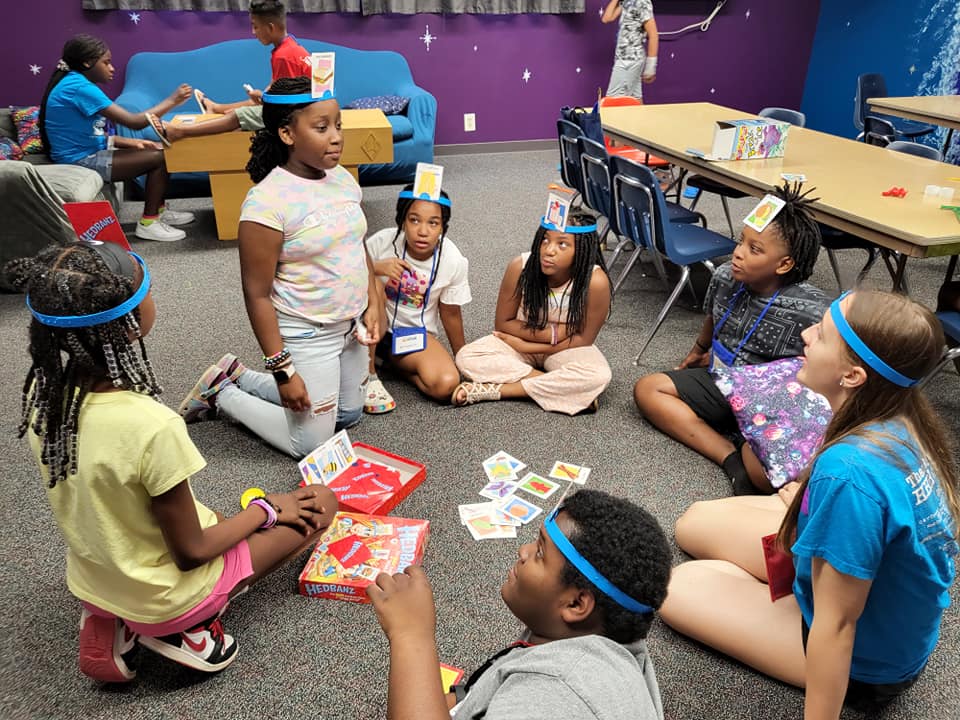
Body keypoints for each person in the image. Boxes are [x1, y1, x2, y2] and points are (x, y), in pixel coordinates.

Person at [7, 242, 338, 682]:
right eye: (148, 293)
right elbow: (191, 552)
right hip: (166, 593)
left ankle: (110, 617)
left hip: (94, 577)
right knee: (322, 503)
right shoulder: (150, 424)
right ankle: (185, 631)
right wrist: (268, 509)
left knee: (217, 518)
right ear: (128, 325)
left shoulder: (44, 399)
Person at [660, 290, 960, 718]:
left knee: (677, 585)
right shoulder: (898, 414)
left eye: (822, 335)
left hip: (868, 663)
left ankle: (773, 593)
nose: (805, 333)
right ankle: (774, 581)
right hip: (886, 613)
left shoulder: (851, 473)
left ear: (853, 375)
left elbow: (837, 628)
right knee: (693, 522)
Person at [179, 76, 384, 459]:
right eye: (321, 128)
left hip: (349, 327)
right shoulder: (266, 203)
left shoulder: (341, 178)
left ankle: (240, 374)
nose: (336, 137)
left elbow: (357, 246)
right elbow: (256, 294)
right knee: (312, 444)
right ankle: (223, 393)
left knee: (350, 416)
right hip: (308, 332)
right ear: (288, 134)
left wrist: (373, 302)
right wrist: (283, 371)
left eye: (338, 125)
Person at [368, 489, 671, 720]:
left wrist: (411, 634)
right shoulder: (595, 637)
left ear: (577, 603)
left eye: (540, 553)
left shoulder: (556, 691)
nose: (522, 551)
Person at [633, 182, 828, 495]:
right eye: (741, 241)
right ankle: (729, 458)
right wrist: (699, 349)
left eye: (755, 249)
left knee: (774, 476)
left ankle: (746, 449)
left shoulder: (813, 310)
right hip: (723, 380)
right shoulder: (725, 277)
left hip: (769, 402)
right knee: (648, 389)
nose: (738, 253)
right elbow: (712, 316)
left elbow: (828, 366)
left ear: (784, 264)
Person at [452, 211, 612, 415]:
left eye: (562, 244)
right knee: (467, 356)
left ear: (581, 249)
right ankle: (565, 390)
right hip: (519, 342)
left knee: (598, 375)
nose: (549, 250)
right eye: (545, 240)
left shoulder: (595, 281)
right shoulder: (520, 266)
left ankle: (499, 391)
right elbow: (503, 324)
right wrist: (551, 335)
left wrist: (529, 344)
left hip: (564, 347)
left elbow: (583, 338)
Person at [39, 34, 194, 242]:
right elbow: (133, 121)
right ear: (87, 62)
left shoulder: (74, 82)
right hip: (79, 160)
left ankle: (159, 210)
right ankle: (149, 223)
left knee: (156, 150)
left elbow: (89, 134)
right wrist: (173, 100)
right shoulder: (79, 87)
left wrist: (130, 142)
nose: (112, 68)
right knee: (160, 159)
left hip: (86, 152)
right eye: (106, 62)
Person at [363, 184, 470, 411]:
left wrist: (464, 361)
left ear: (443, 226)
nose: (423, 231)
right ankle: (370, 375)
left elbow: (450, 313)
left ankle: (391, 363)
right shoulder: (382, 241)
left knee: (446, 384)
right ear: (402, 221)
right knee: (370, 278)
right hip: (372, 325)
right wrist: (377, 267)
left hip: (414, 335)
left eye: (433, 223)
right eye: (414, 220)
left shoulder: (453, 259)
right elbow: (344, 276)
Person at [148, 0, 310, 145]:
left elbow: (283, 101)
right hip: (296, 107)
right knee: (245, 112)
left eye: (255, 26)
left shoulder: (284, 56)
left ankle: (177, 131)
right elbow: (279, 87)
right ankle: (216, 108)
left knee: (236, 118)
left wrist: (253, 106)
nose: (253, 32)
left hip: (296, 113)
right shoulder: (289, 45)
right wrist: (261, 97)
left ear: (270, 27)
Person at [601, 0, 658, 101]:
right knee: (635, 100)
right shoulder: (627, 2)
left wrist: (650, 67)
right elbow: (607, 18)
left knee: (613, 102)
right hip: (624, 59)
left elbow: (653, 34)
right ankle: (642, 117)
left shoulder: (643, 2)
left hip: (630, 60)